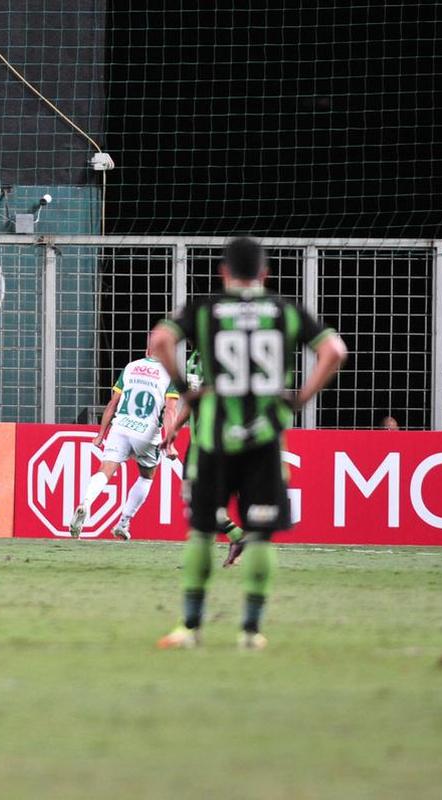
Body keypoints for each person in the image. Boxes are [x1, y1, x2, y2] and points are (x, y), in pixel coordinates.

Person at [150, 237, 347, 650]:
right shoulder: (285, 310)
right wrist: (305, 395)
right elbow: (334, 350)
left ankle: (189, 628)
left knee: (202, 534)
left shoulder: (205, 309)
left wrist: (186, 390)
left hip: (213, 440)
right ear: (265, 273)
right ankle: (250, 632)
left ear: (223, 273)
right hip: (264, 440)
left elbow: (160, 341)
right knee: (259, 536)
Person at [68, 347, 179, 541]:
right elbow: (170, 411)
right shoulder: (171, 374)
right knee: (147, 476)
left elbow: (113, 403)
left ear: (147, 350)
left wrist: (101, 435)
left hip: (120, 427)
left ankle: (86, 503)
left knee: (105, 470)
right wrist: (170, 443)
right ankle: (123, 523)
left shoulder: (131, 367)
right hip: (146, 431)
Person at [164, 349, 248, 567]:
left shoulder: (217, 355)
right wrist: (175, 429)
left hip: (213, 439)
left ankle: (237, 536)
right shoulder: (195, 358)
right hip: (200, 438)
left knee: (195, 497)